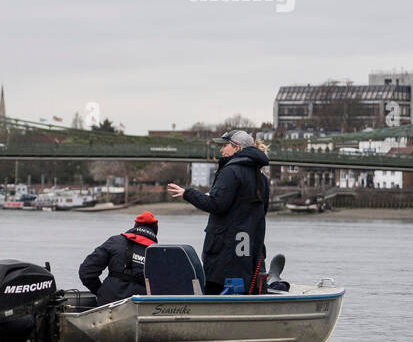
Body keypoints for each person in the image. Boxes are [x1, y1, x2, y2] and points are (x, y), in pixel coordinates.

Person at [167, 129, 271, 294]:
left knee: (214, 294)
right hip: (250, 253)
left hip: (224, 255)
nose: (221, 150)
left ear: (236, 148)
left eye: (224, 146)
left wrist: (188, 193)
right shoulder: (262, 178)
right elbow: (261, 213)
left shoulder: (230, 171)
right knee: (248, 293)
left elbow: (217, 204)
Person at [78, 211, 159, 304]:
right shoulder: (160, 253)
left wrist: (100, 291)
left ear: (135, 226)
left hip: (108, 303)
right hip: (143, 306)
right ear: (155, 230)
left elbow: (86, 271)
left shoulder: (115, 242)